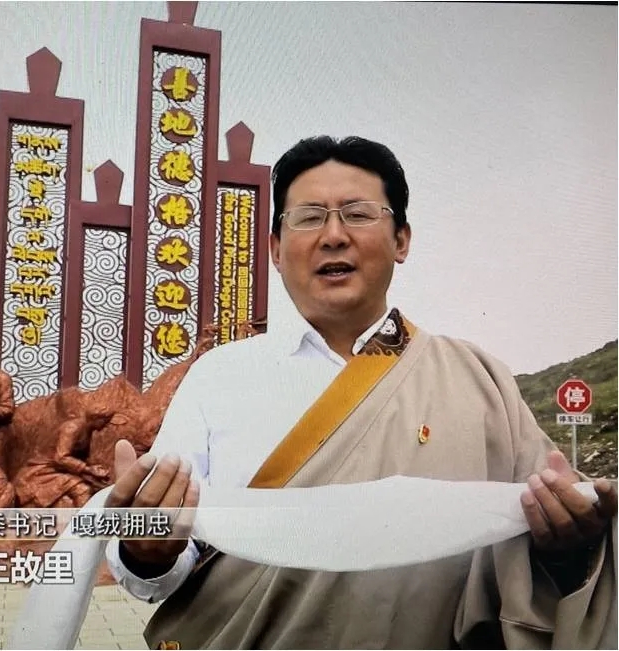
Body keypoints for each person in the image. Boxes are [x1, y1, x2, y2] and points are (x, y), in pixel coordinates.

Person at [102, 136, 617, 648]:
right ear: (276, 249)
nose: (333, 236)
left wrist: (570, 541)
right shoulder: (219, 377)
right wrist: (147, 552)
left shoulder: (479, 381)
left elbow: (546, 549)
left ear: (401, 240)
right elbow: (160, 566)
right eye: (308, 217)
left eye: (358, 214)